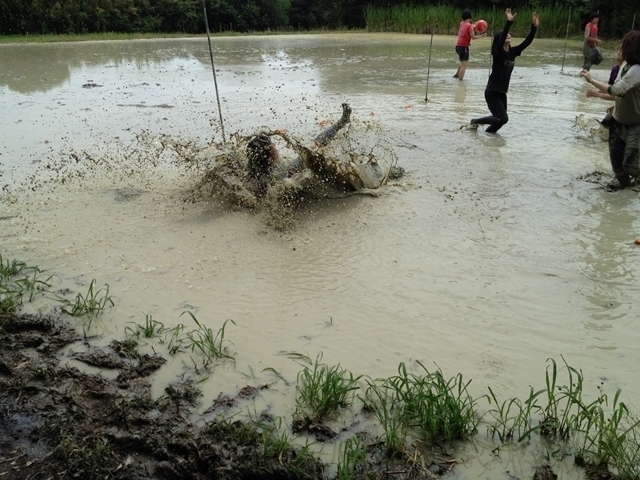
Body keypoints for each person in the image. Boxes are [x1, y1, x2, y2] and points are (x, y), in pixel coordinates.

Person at [245, 103, 352, 196]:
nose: (274, 144)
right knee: (312, 150)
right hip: (288, 174)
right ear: (269, 159)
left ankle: (342, 122)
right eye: (271, 145)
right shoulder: (274, 177)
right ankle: (342, 122)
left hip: (282, 171)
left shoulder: (253, 164)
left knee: (311, 149)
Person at [581, 31, 640, 188]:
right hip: (617, 121)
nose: (620, 48)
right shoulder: (624, 66)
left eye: (623, 45)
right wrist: (614, 103)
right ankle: (626, 195)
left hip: (635, 124)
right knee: (618, 169)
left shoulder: (637, 70)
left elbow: (616, 89)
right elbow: (620, 93)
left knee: (630, 166)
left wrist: (592, 80)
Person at [470, 9, 539, 133]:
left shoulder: (513, 52)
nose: (508, 35)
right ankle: (475, 121)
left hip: (502, 92)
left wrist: (534, 27)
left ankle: (489, 135)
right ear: (500, 40)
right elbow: (502, 38)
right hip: (492, 92)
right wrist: (508, 23)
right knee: (503, 118)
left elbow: (527, 42)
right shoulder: (498, 52)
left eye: (508, 34)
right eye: (505, 35)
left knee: (502, 120)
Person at [585, 48, 623, 128]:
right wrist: (596, 91)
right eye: (619, 49)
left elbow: (617, 93)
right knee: (605, 123)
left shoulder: (629, 73)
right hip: (622, 105)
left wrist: (597, 94)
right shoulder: (615, 69)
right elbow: (610, 89)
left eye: (623, 50)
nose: (619, 51)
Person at [454, 10, 487, 81]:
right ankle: (460, 82)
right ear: (470, 17)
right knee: (464, 65)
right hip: (464, 47)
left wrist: (474, 26)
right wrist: (482, 36)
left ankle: (457, 75)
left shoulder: (462, 23)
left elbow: (467, 27)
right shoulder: (469, 26)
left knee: (462, 62)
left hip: (458, 46)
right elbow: (473, 37)